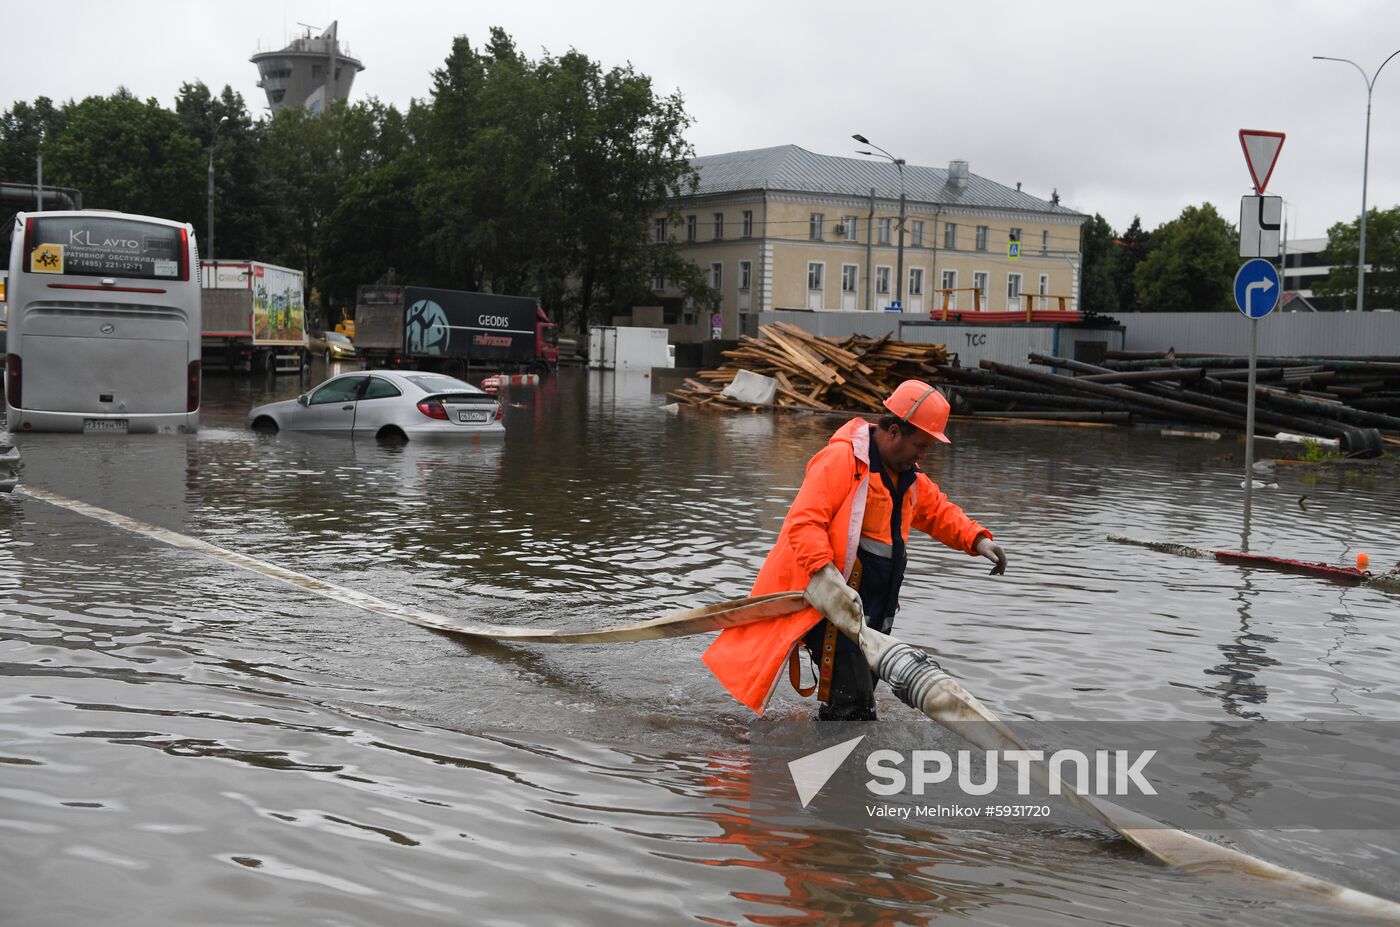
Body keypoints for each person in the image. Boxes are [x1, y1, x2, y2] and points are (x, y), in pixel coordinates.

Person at [704, 380, 1006, 720]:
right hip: (834, 607)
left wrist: (977, 540)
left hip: (877, 610)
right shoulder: (843, 460)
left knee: (855, 704)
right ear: (894, 431)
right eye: (920, 446)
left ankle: (826, 754)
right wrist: (826, 575)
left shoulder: (907, 476)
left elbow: (937, 511)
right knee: (854, 710)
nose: (923, 455)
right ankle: (832, 766)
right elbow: (803, 523)